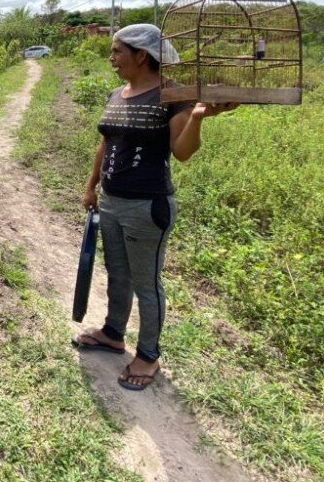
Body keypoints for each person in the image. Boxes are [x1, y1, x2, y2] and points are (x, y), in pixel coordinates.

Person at [73, 24, 236, 390]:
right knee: (118, 273)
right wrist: (91, 185)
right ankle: (114, 333)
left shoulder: (170, 96)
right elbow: (106, 144)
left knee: (147, 283)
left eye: (117, 51)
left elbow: (182, 151)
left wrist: (196, 118)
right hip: (112, 202)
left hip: (147, 206)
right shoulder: (118, 94)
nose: (111, 58)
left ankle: (148, 355)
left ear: (141, 55)